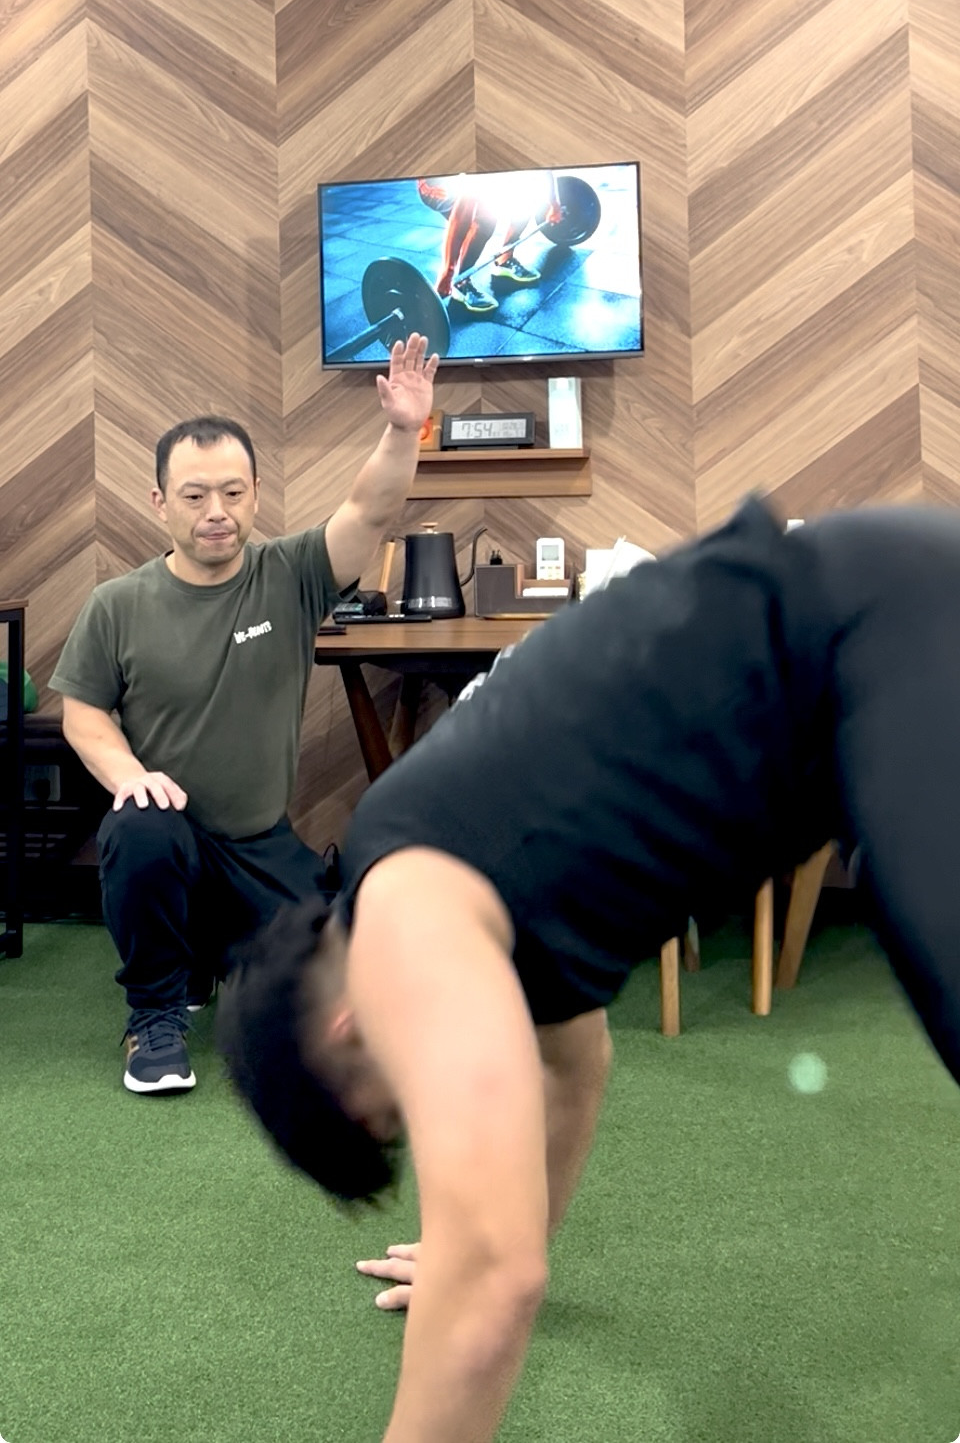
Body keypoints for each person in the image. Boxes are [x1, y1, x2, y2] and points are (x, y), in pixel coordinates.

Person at [216, 494, 960, 1443]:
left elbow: (496, 1281)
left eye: (394, 1110)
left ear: (348, 1027)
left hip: (890, 628)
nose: (435, 1113)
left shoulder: (400, 915)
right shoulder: (474, 896)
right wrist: (485, 1237)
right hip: (882, 629)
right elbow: (571, 1073)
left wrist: (482, 1256)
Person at [49, 334, 438, 1096]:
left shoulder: (291, 574)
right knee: (138, 826)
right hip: (169, 839)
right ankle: (155, 1016)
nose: (217, 513)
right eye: (195, 496)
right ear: (161, 503)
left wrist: (402, 430)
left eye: (232, 493)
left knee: (335, 990)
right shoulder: (116, 605)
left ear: (256, 493)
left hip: (262, 846)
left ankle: (209, 955)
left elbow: (370, 508)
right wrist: (127, 775)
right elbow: (84, 711)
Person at [417, 171, 564, 313]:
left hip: (475, 179)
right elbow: (463, 212)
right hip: (437, 185)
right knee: (485, 221)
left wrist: (555, 205)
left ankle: (504, 259)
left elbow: (544, 171)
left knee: (525, 197)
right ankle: (461, 283)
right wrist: (448, 272)